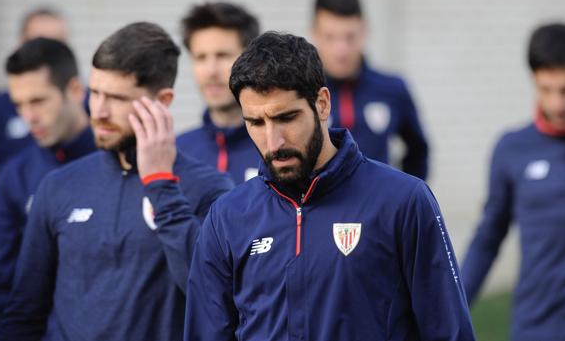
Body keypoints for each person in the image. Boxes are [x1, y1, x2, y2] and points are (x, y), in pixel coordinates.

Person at [184, 32, 475, 341]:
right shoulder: (227, 217)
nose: (273, 141)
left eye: (287, 117)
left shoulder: (403, 202)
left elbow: (449, 331)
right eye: (256, 123)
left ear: (322, 104)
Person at [0, 22, 234, 341]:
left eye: (118, 98)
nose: (99, 111)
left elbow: (213, 301)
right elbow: (24, 312)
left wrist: (160, 183)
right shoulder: (58, 186)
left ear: (162, 101)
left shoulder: (208, 189)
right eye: (95, 93)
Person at [461, 23, 565, 341]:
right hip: (536, 327)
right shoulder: (511, 148)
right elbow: (489, 237)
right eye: (546, 89)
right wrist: (452, 305)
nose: (556, 104)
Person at [0, 38, 95, 335]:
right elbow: (0, 278)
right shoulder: (16, 174)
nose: (28, 117)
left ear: (75, 91)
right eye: (19, 105)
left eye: (37, 101)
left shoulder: (118, 160)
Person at [311, 0, 429, 179]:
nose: (341, 49)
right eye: (330, 37)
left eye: (349, 37)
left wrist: (403, 195)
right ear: (314, 34)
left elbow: (418, 150)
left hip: (379, 207)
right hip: (320, 206)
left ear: (364, 32)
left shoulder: (392, 88)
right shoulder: (303, 93)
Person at [177, 2, 261, 184]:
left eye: (222, 55)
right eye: (200, 57)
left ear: (251, 59)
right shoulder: (176, 153)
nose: (211, 71)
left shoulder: (279, 150)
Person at [0, 7, 69, 172]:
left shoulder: (87, 105)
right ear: (22, 42)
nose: (30, 116)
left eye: (58, 43)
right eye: (19, 104)